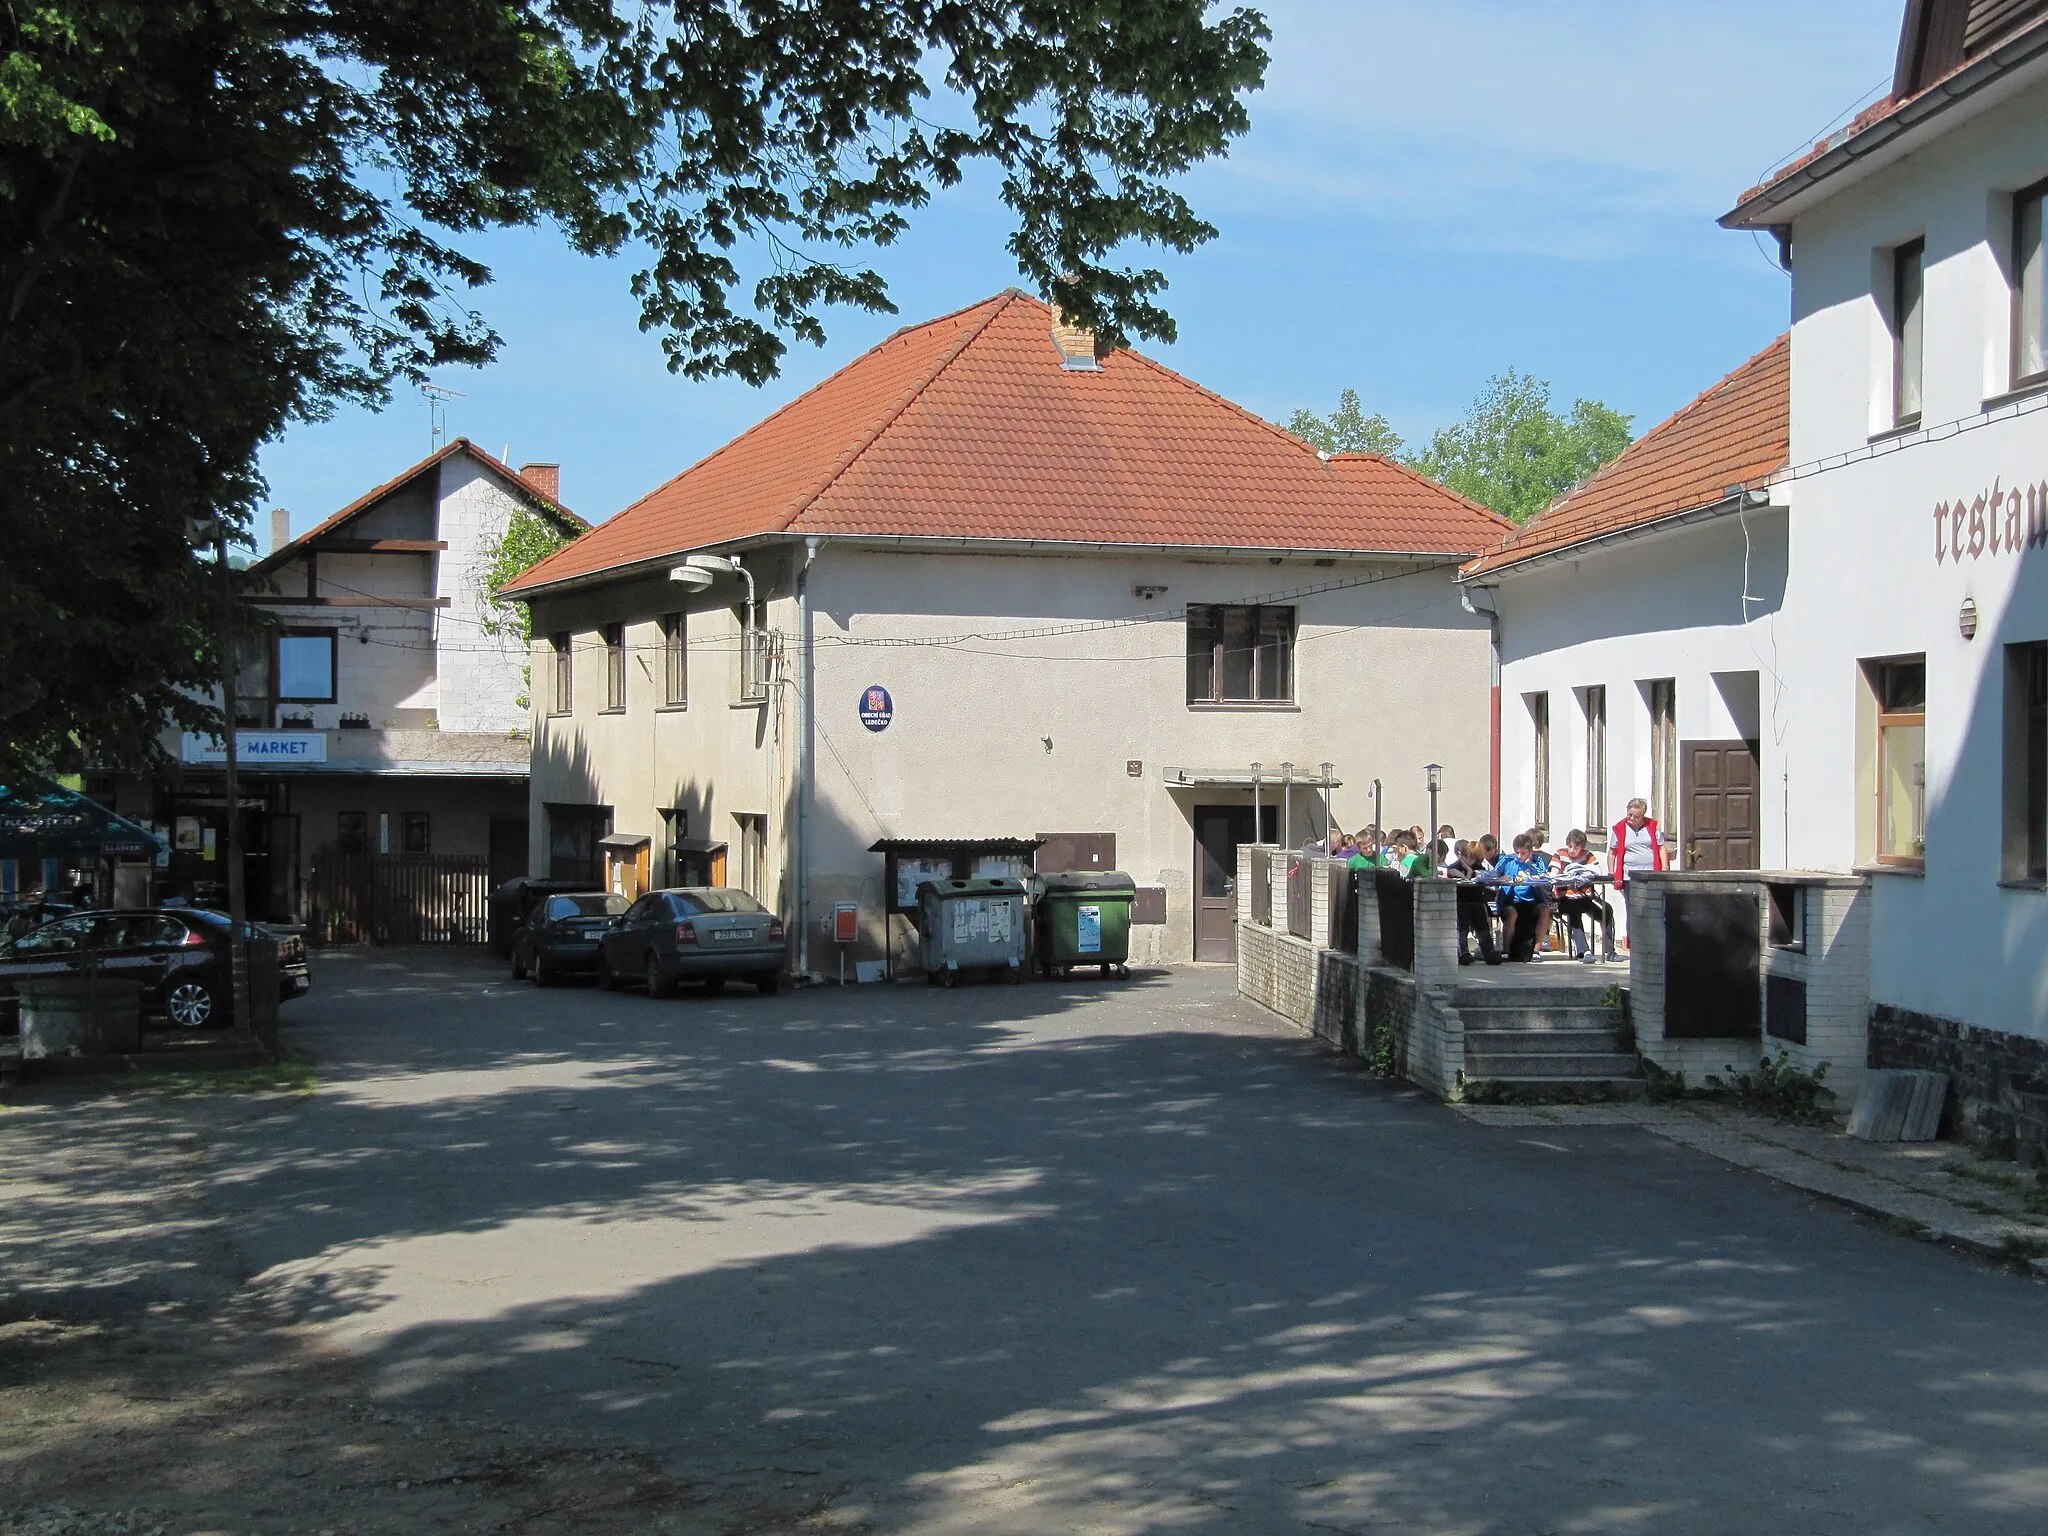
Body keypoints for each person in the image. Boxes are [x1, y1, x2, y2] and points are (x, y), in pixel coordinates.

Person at [1554, 829, 1616, 963]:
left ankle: (1610, 951)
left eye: (1576, 847)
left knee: (1607, 910)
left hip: (1586, 897)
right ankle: (1583, 951)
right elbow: (1553, 873)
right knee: (1573, 912)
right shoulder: (1560, 854)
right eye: (1570, 846)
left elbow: (1596, 871)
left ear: (1582, 847)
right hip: (1565, 898)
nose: (1572, 850)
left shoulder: (1588, 856)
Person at [1495, 832, 1553, 962]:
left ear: (1530, 852)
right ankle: (1506, 950)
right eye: (1517, 852)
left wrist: (1530, 866)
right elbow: (1493, 875)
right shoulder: (1508, 860)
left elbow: (1543, 877)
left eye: (1523, 853)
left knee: (1544, 910)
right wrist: (1501, 878)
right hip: (1511, 900)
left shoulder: (1537, 861)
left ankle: (1537, 950)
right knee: (1511, 913)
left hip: (1531, 900)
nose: (1519, 856)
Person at [1447, 841, 1503, 965]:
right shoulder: (1453, 867)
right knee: (1462, 926)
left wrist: (1467, 873)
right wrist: (1466, 872)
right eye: (1469, 857)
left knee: (1481, 923)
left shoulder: (1479, 867)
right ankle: (1463, 952)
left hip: (1476, 901)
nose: (1471, 860)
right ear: (1462, 855)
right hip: (1460, 901)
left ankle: (1488, 951)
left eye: (1474, 857)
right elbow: (1463, 882)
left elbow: (1482, 880)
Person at [1611, 797, 1665, 889]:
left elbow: (1661, 848)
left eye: (1636, 817)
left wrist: (1664, 868)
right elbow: (1612, 852)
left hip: (1651, 874)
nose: (1632, 818)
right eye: (1629, 814)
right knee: (1632, 903)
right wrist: (1612, 873)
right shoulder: (1619, 828)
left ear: (1642, 816)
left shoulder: (1652, 826)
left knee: (1652, 902)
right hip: (1629, 876)